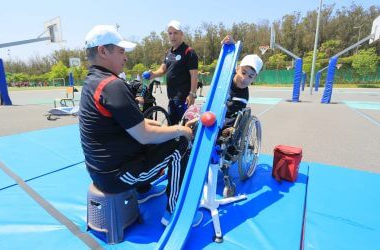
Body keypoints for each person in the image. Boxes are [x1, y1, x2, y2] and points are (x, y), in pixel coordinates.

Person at [79, 25, 203, 227]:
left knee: (162, 135)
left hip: (100, 170)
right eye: (121, 52)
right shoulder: (113, 85)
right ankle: (176, 213)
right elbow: (144, 134)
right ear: (102, 51)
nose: (125, 57)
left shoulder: (93, 81)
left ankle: (143, 190)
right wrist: (181, 130)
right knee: (180, 144)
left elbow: (138, 123)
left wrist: (165, 129)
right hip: (117, 176)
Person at [148, 20, 199, 124]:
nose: (172, 36)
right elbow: (162, 69)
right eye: (170, 33)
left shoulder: (189, 52)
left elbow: (194, 75)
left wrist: (192, 94)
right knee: (172, 125)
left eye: (175, 33)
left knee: (184, 127)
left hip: (184, 98)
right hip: (171, 97)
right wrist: (153, 74)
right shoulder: (169, 52)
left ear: (181, 34)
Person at [221, 34, 263, 131]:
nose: (245, 78)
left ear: (254, 78)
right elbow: (226, 60)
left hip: (222, 123)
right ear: (237, 68)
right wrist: (231, 45)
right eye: (243, 72)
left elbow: (232, 121)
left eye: (250, 76)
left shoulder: (242, 98)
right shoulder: (226, 77)